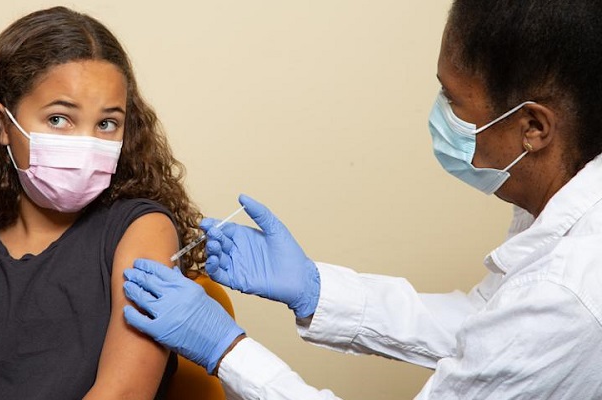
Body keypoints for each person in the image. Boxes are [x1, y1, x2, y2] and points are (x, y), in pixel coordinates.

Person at [121, 0, 602, 398]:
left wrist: (228, 351)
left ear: (534, 127)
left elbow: (516, 333)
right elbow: (484, 326)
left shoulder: (567, 293)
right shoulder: (562, 205)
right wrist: (315, 288)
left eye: (454, 100)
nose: (441, 114)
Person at [0, 6, 206, 400]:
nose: (85, 144)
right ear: (2, 125)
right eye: (58, 119)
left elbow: (121, 394)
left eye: (106, 123)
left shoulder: (141, 232)